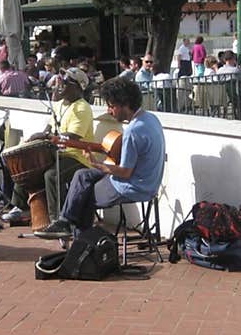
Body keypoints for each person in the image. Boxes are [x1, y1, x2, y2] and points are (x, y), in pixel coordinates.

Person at [36, 76, 166, 239]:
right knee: (81, 175)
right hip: (148, 180)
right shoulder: (150, 118)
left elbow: (124, 172)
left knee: (83, 196)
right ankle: (65, 222)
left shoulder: (133, 131)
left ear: (124, 104)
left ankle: (81, 243)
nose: (108, 111)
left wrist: (96, 164)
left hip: (134, 186)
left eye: (111, 106)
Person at [2, 68, 95, 225]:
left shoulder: (82, 108)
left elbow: (72, 137)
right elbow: (49, 129)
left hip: (77, 156)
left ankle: (57, 220)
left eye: (65, 81)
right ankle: (20, 207)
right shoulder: (59, 105)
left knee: (52, 175)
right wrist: (36, 138)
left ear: (77, 87)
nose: (61, 83)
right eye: (61, 79)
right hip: (57, 152)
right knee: (27, 165)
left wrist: (45, 137)